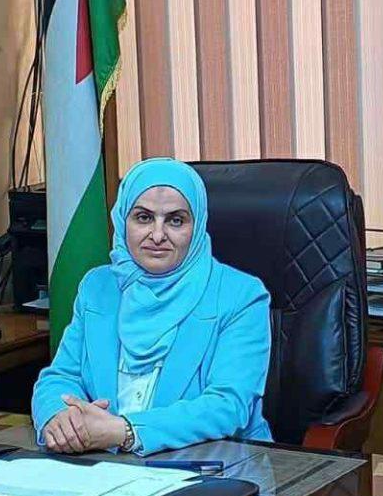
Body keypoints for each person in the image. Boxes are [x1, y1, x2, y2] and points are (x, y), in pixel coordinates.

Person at [31, 157, 273, 456]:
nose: (157, 235)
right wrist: (59, 418)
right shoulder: (98, 287)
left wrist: (124, 431)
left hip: (216, 465)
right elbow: (60, 377)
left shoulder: (241, 295)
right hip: (106, 466)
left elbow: (227, 406)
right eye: (143, 217)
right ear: (123, 220)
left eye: (175, 220)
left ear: (197, 226)